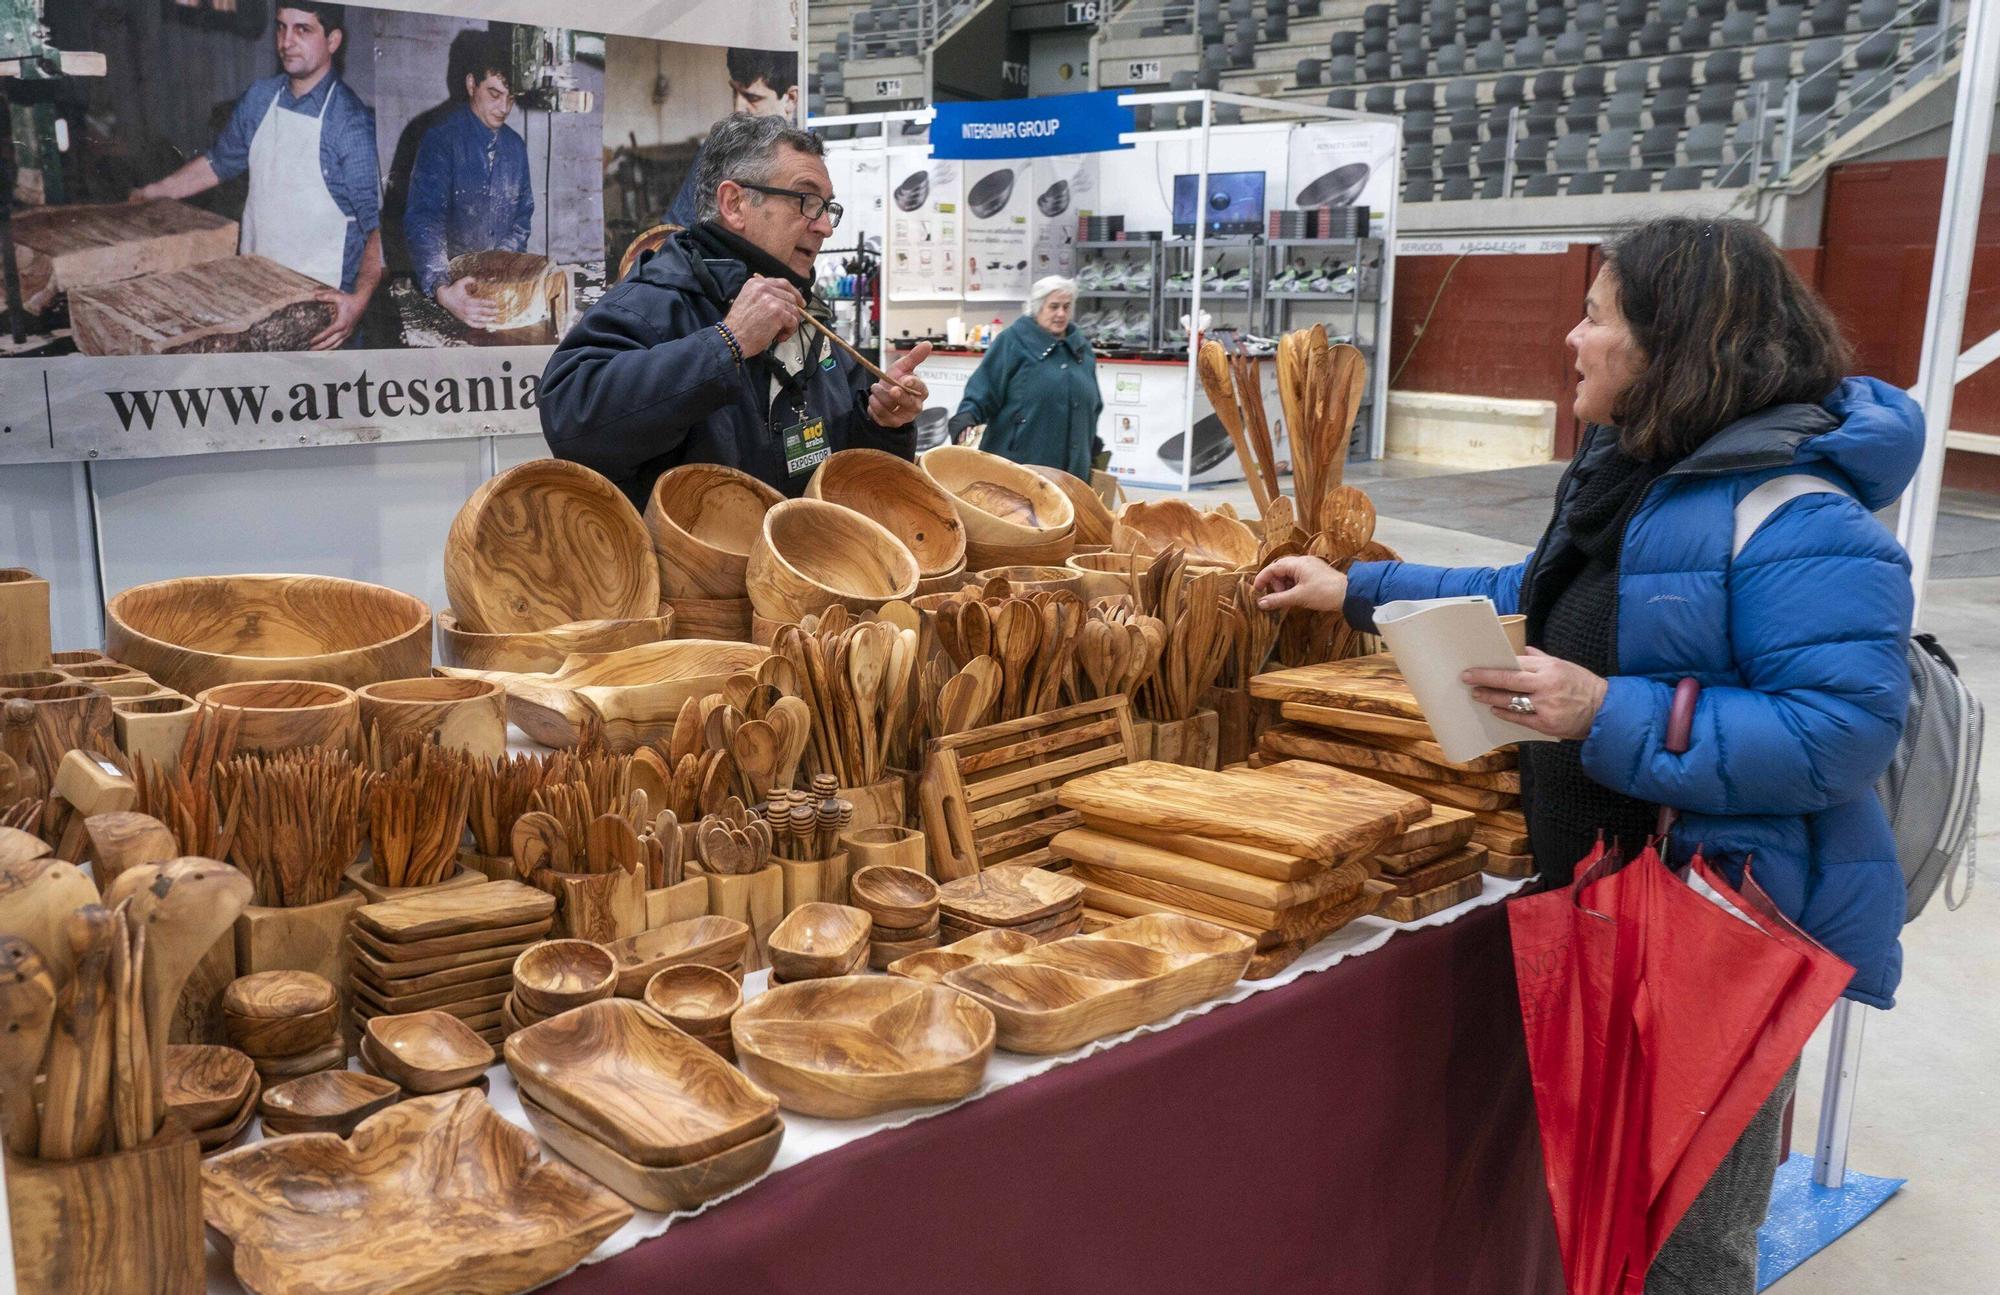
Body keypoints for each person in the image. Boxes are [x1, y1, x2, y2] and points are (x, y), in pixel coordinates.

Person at [1254, 216, 1919, 1295]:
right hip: (1609, 897)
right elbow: (1539, 596)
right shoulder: (1635, 475)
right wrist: (1359, 589)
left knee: (1681, 1241)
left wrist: (1604, 709)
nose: (1570, 337)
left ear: (1674, 344)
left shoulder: (1797, 515)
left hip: (1721, 925)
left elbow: (1833, 735)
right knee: (1600, 1207)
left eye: (1595, 315)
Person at [540, 113, 930, 507]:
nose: (826, 227)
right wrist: (728, 342)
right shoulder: (655, 300)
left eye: (828, 207)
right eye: (807, 202)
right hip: (690, 566)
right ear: (735, 204)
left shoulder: (812, 318)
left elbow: (853, 481)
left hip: (802, 562)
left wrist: (882, 423)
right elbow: (571, 420)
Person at [129, 2, 381, 349]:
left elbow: (377, 229)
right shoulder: (261, 98)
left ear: (333, 40)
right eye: (281, 27)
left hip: (318, 314)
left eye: (302, 30)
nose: (286, 41)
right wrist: (155, 192)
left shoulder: (350, 124)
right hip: (252, 292)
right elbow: (218, 163)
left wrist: (358, 302)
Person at [404, 38, 534, 329]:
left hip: (497, 287)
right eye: (494, 93)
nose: (504, 107)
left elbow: (522, 218)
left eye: (511, 98)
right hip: (451, 291)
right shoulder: (440, 139)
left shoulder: (515, 146)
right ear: (471, 83)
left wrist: (501, 265)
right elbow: (425, 219)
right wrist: (442, 289)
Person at [948, 276, 1103, 480]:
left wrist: (1089, 443)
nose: (1061, 314)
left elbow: (1094, 404)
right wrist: (966, 421)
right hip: (1020, 468)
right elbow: (984, 390)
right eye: (1053, 306)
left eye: (1067, 307)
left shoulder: (1081, 348)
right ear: (1037, 308)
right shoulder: (1012, 342)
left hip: (1073, 472)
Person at [663, 48, 800, 231]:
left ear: (790, 99)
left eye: (752, 98)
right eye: (734, 92)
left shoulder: (806, 155)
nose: (737, 108)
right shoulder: (721, 145)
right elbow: (677, 228)